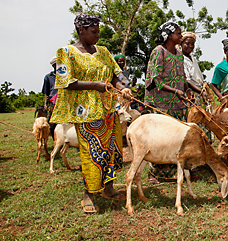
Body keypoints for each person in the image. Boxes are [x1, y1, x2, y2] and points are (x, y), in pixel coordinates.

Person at [50, 14, 132, 213]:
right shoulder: (66, 52)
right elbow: (65, 82)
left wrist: (123, 86)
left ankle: (108, 188)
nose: (97, 36)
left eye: (98, 32)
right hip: (86, 113)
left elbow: (116, 75)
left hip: (109, 111)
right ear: (81, 30)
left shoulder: (103, 51)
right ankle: (89, 193)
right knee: (92, 153)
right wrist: (96, 85)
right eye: (93, 32)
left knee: (111, 151)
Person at [144, 21, 192, 183]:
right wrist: (175, 91)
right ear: (170, 35)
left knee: (174, 137)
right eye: (178, 33)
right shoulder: (159, 51)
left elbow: (182, 76)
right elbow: (154, 79)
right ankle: (153, 173)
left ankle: (170, 173)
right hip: (159, 102)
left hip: (177, 103)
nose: (180, 35)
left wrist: (187, 89)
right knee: (159, 138)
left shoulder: (179, 53)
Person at [41, 56, 58, 138]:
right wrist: (45, 104)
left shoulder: (64, 76)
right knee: (51, 122)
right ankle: (55, 140)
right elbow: (46, 92)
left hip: (64, 101)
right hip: (52, 102)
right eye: (56, 64)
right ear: (53, 66)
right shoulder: (48, 77)